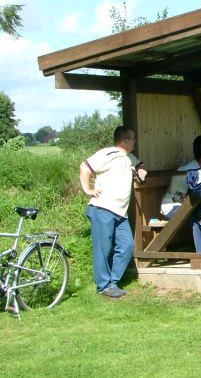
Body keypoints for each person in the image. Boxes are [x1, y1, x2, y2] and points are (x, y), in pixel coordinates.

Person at [79, 126, 147, 298]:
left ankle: (113, 281)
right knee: (104, 249)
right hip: (103, 208)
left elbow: (140, 166)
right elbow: (85, 167)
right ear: (124, 141)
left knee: (127, 246)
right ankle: (104, 286)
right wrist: (88, 189)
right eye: (133, 139)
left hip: (120, 212)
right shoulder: (108, 154)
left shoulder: (129, 157)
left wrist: (141, 171)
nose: (135, 142)